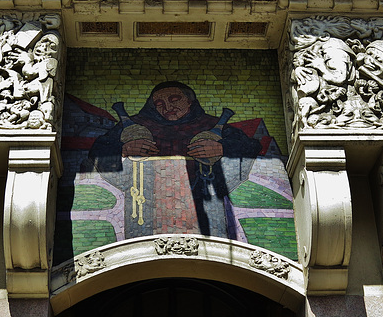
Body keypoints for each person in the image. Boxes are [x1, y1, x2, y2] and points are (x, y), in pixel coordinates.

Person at [89, 81, 261, 239]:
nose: (167, 107)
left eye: (174, 99)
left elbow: (250, 147)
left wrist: (222, 148)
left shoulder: (211, 124)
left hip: (204, 200)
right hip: (145, 201)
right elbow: (98, 150)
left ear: (190, 101)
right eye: (159, 104)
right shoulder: (137, 125)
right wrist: (123, 149)